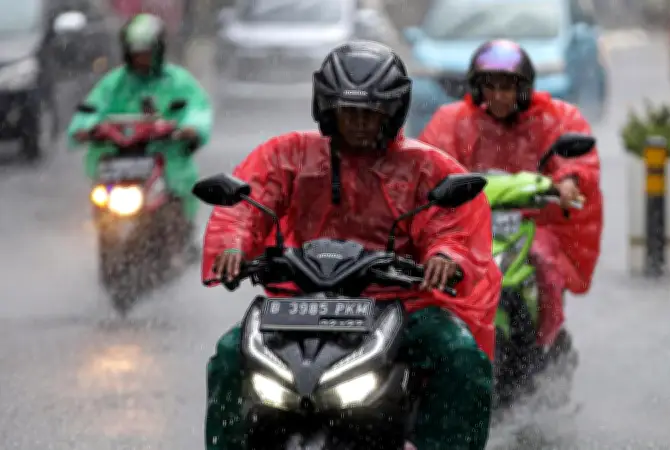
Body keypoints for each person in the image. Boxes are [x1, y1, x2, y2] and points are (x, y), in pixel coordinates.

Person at [201, 41, 500, 450]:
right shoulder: (289, 155)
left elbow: (449, 226)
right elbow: (250, 202)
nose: (359, 123)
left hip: (401, 305)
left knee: (461, 355)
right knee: (229, 354)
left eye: (370, 113)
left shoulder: (426, 167)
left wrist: (444, 257)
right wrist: (233, 245)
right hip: (300, 305)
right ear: (327, 109)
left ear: (392, 112)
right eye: (349, 112)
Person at [418, 39, 603, 360]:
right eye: (491, 87)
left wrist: (569, 181)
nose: (499, 96)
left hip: (533, 224)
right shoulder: (453, 121)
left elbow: (576, 159)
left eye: (508, 87)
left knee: (546, 264)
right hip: (471, 225)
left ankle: (547, 339)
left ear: (524, 88)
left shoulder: (552, 117)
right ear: (478, 89)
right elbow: (430, 164)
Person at [67, 13, 213, 256]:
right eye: (136, 53)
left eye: (146, 52)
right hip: (117, 159)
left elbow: (197, 108)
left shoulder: (178, 82)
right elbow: (91, 108)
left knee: (183, 184)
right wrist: (87, 127)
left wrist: (189, 128)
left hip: (165, 157)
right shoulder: (113, 83)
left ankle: (183, 236)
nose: (141, 59)